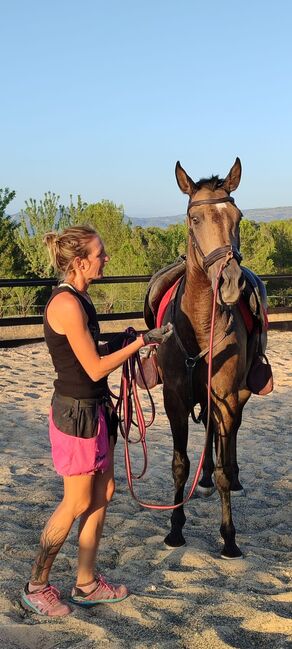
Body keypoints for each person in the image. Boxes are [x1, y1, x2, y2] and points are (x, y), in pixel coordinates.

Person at [20, 224, 172, 617]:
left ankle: (86, 584)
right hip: (76, 414)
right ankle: (36, 585)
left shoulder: (81, 300)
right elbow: (91, 367)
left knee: (102, 495)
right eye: (100, 253)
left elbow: (89, 351)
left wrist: (121, 343)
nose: (106, 258)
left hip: (95, 409)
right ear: (80, 261)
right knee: (76, 501)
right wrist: (139, 344)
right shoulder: (67, 304)